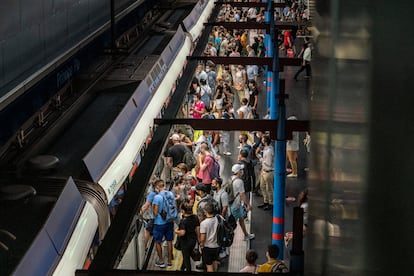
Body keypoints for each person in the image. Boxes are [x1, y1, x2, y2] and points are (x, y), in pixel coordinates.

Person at [152, 180, 175, 268]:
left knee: (158, 242)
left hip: (159, 223)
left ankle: (161, 261)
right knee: (169, 241)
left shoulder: (157, 197)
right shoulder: (171, 194)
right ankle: (169, 262)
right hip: (169, 221)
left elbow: (155, 212)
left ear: (157, 187)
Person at [230, 164, 255, 241]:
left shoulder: (231, 179)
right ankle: (227, 240)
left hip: (232, 204)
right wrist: (248, 204)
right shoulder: (239, 182)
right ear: (238, 172)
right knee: (232, 225)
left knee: (241, 219)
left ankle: (246, 235)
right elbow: (242, 195)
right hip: (235, 205)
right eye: (241, 170)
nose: (242, 171)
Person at [175, 200, 200, 271]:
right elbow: (197, 228)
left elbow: (182, 233)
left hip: (185, 242)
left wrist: (176, 231)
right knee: (187, 255)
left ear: (183, 211)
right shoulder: (195, 217)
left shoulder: (183, 221)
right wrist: (198, 239)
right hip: (193, 241)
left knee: (186, 259)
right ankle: (182, 269)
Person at [199, 201, 221, 272]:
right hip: (217, 246)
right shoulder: (218, 219)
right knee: (215, 261)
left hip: (208, 247)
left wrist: (201, 245)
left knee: (209, 265)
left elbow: (203, 238)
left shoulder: (204, 223)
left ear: (205, 211)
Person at [257, 135, 274, 211]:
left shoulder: (269, 151)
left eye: (263, 140)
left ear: (265, 141)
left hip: (268, 171)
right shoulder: (266, 149)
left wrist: (260, 158)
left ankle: (271, 203)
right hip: (264, 171)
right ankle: (265, 201)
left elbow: (268, 163)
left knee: (269, 189)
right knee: (262, 186)